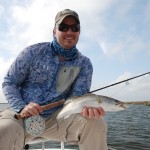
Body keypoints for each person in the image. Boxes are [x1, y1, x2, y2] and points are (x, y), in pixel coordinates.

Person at [0, 9, 107, 150]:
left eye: (75, 28)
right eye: (63, 27)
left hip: (59, 118)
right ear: (54, 31)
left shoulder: (84, 64)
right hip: (20, 116)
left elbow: (78, 98)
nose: (69, 32)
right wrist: (21, 106)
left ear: (79, 32)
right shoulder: (32, 52)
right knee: (3, 130)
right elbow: (9, 82)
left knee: (96, 123)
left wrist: (87, 109)